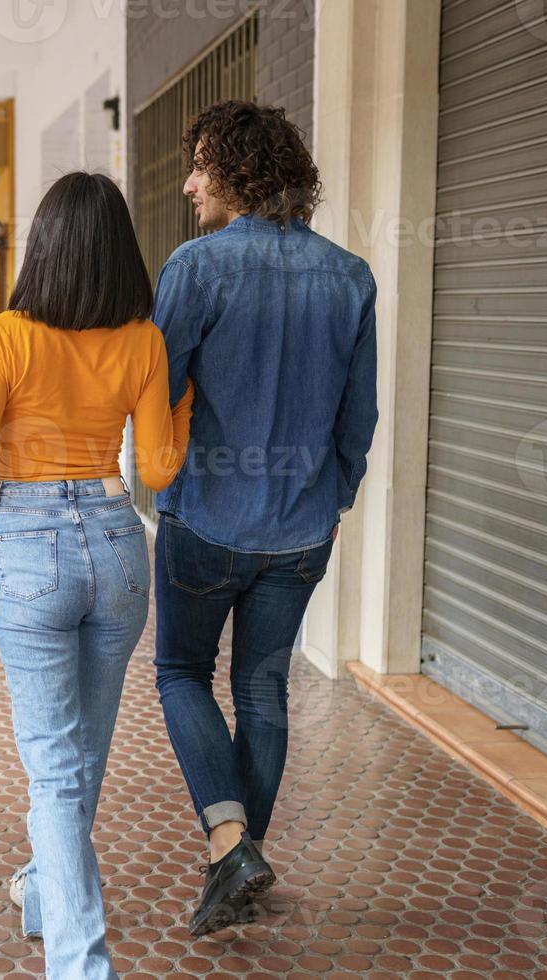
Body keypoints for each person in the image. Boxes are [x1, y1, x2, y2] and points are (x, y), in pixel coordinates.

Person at [0, 171, 192, 979]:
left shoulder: (8, 334)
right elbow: (158, 467)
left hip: (30, 546)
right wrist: (184, 401)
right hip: (120, 543)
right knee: (82, 751)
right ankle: (43, 889)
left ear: (44, 247)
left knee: (56, 765)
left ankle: (80, 964)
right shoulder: (143, 340)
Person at [150, 100, 378, 936]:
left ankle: (232, 846)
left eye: (201, 166)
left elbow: (158, 387)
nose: (188, 183)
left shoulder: (196, 266)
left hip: (206, 519)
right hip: (302, 531)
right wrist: (335, 498)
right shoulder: (350, 276)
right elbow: (361, 416)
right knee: (262, 685)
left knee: (180, 672)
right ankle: (240, 858)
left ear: (239, 172)